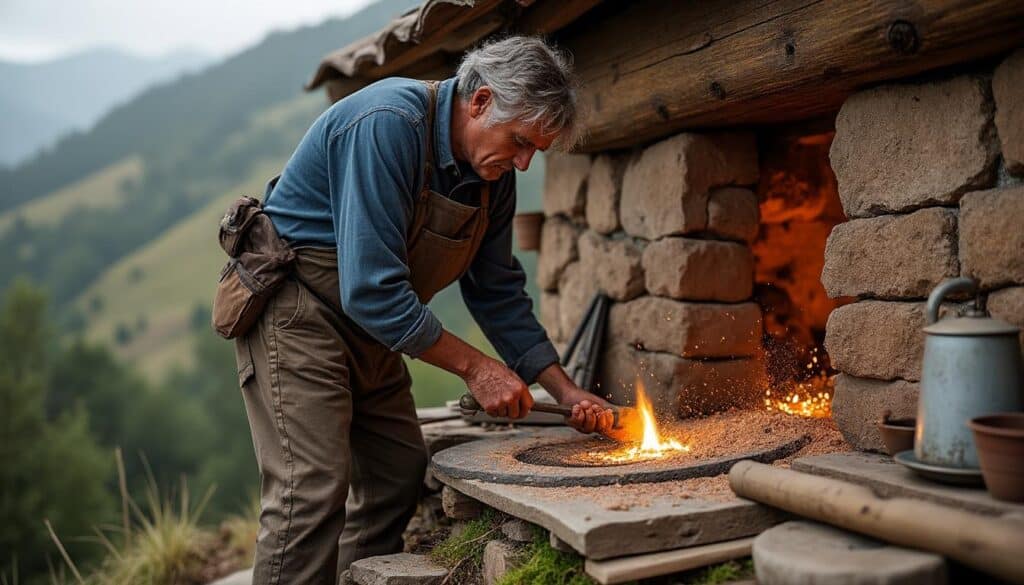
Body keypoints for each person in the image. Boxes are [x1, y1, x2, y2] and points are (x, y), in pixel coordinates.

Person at [234, 36, 614, 585]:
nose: (524, 163)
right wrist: (480, 369)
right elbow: (371, 290)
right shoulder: (387, 124)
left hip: (373, 329)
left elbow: (497, 290)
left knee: (394, 472)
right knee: (310, 489)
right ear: (481, 101)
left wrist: (565, 390)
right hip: (299, 313)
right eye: (521, 141)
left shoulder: (492, 178)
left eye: (537, 151)